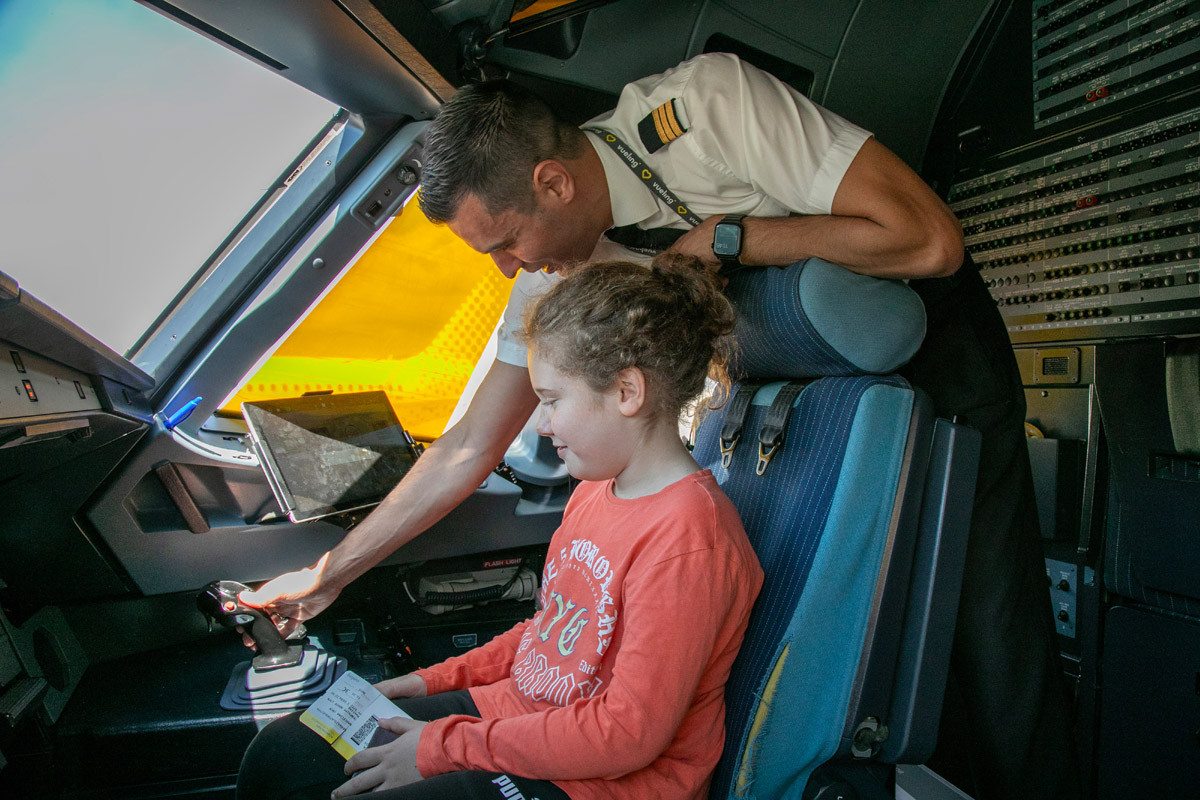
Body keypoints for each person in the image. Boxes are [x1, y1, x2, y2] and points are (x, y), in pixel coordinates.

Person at [242, 53, 1076, 798]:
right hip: (777, 387)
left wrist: (726, 238)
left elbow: (928, 242)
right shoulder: (557, 281)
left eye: (504, 241)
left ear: (553, 183)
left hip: (932, 348)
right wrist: (331, 573)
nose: (507, 270)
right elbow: (466, 445)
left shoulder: (705, 111)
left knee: (993, 641)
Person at [236, 256, 763, 800]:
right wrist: (427, 683)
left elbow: (626, 733)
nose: (541, 423)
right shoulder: (593, 493)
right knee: (285, 753)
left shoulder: (689, 539)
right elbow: (550, 637)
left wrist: (441, 746)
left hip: (605, 782)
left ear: (627, 392)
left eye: (553, 400)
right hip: (522, 713)